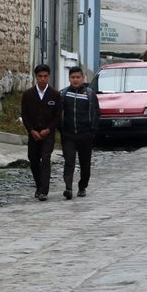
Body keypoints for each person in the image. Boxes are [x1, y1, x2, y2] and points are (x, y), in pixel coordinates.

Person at [20, 63, 62, 201]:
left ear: (48, 77)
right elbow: (24, 115)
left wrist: (48, 130)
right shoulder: (28, 94)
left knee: (45, 159)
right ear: (36, 77)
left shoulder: (55, 95)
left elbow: (57, 116)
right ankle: (38, 186)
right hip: (33, 134)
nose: (43, 79)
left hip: (48, 134)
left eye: (45, 76)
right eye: (40, 76)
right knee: (33, 159)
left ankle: (44, 190)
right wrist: (31, 130)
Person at [59, 65, 100, 200]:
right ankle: (68, 188)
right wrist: (62, 130)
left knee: (85, 163)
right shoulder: (64, 94)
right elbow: (58, 114)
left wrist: (92, 131)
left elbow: (95, 113)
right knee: (69, 161)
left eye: (78, 77)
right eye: (73, 77)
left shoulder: (89, 94)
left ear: (82, 78)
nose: (75, 80)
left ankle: (82, 186)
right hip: (69, 135)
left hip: (85, 134)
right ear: (69, 78)